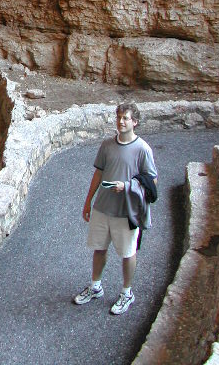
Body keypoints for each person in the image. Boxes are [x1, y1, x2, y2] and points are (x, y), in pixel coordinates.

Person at [74, 102, 157, 315]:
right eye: (119, 117)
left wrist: (127, 186)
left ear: (135, 122)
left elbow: (152, 182)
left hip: (126, 210)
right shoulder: (107, 145)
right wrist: (88, 201)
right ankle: (95, 286)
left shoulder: (142, 150)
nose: (121, 121)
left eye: (126, 118)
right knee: (99, 248)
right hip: (103, 207)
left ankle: (127, 292)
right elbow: (98, 174)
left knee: (128, 253)